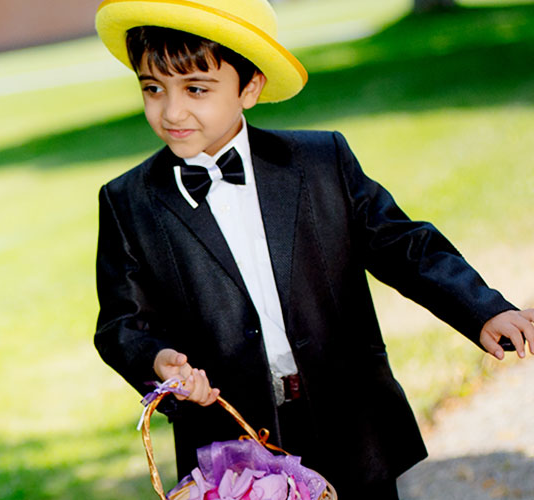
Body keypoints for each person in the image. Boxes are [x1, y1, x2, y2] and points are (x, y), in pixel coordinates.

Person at [91, 0, 534, 498]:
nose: (171, 110)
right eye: (153, 88)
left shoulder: (320, 161)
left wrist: (480, 308)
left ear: (250, 87)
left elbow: (402, 244)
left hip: (349, 417)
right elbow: (121, 325)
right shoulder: (129, 201)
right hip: (234, 447)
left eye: (196, 88)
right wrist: (158, 360)